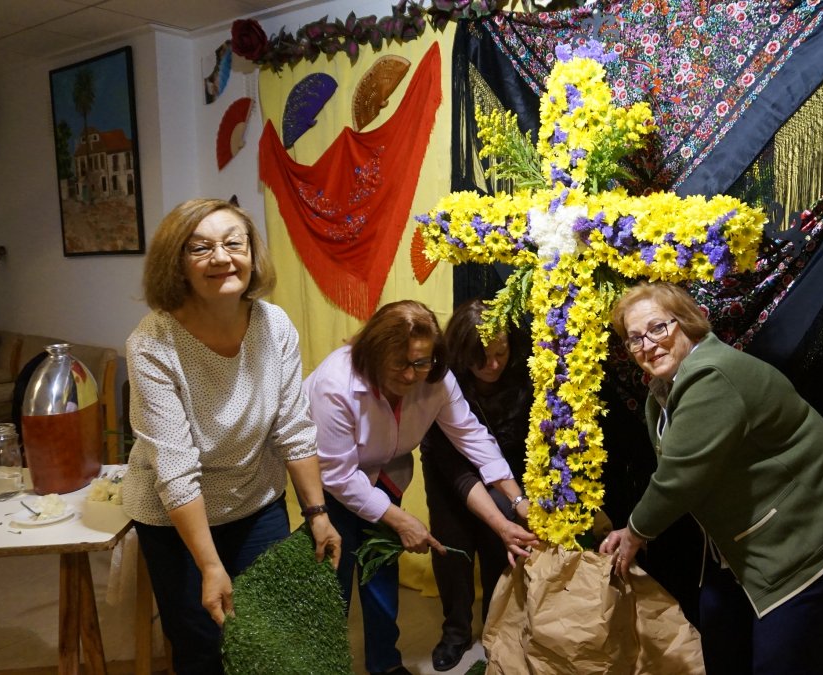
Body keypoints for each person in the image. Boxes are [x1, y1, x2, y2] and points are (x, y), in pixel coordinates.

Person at [599, 281, 823, 675]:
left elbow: (678, 478)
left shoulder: (710, 376)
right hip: (746, 540)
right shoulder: (663, 391)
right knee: (722, 639)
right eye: (635, 338)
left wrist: (635, 532)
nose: (648, 344)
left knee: (787, 663)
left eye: (659, 327)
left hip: (813, 532)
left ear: (687, 323)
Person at [121, 198, 342, 675]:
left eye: (232, 243)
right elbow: (176, 470)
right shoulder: (152, 343)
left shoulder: (274, 324)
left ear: (250, 252)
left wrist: (317, 513)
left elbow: (294, 428)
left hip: (254, 500)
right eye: (200, 248)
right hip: (174, 517)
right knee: (202, 642)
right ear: (176, 264)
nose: (221, 258)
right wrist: (210, 564)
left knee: (268, 634)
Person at [303, 299, 538, 675]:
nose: (412, 375)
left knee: (380, 570)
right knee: (333, 578)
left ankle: (385, 663)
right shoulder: (336, 384)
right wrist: (401, 519)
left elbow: (472, 436)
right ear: (374, 352)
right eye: (400, 363)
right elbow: (339, 475)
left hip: (386, 474)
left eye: (421, 362)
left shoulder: (436, 378)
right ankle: (322, 665)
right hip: (329, 484)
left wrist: (517, 498)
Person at [419, 299, 533, 671]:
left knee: (501, 550)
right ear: (461, 352)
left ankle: (496, 629)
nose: (493, 364)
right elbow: (456, 466)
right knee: (452, 551)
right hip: (450, 473)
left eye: (501, 353)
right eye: (482, 357)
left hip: (505, 477)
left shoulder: (525, 373)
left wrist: (516, 501)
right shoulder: (441, 383)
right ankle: (454, 633)